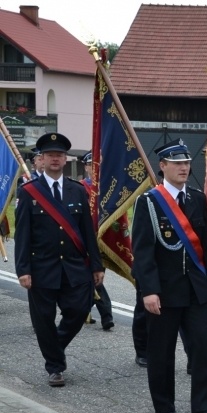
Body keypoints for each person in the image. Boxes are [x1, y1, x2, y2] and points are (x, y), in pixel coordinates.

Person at [131, 139, 207, 413]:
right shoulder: (149, 202)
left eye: (186, 163)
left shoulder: (197, 198)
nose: (184, 168)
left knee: (201, 350)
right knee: (161, 352)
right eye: (177, 163)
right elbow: (143, 251)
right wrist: (148, 290)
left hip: (196, 289)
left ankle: (203, 408)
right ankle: (164, 405)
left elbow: (205, 245)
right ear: (163, 166)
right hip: (163, 291)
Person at [14, 133, 104, 387]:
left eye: (60, 155)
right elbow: (23, 235)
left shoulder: (77, 190)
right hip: (41, 268)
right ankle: (55, 367)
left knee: (78, 311)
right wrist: (23, 269)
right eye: (50, 155)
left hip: (73, 267)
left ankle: (55, 348)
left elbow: (88, 231)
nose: (55, 159)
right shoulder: (29, 192)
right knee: (43, 320)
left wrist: (96, 264)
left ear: (66, 159)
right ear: (41, 159)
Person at [80, 151, 115, 330]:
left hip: (102, 241)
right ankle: (104, 314)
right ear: (86, 167)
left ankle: (85, 311)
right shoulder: (79, 188)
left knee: (94, 279)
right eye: (92, 165)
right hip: (84, 241)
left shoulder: (108, 190)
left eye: (98, 166)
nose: (95, 169)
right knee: (91, 279)